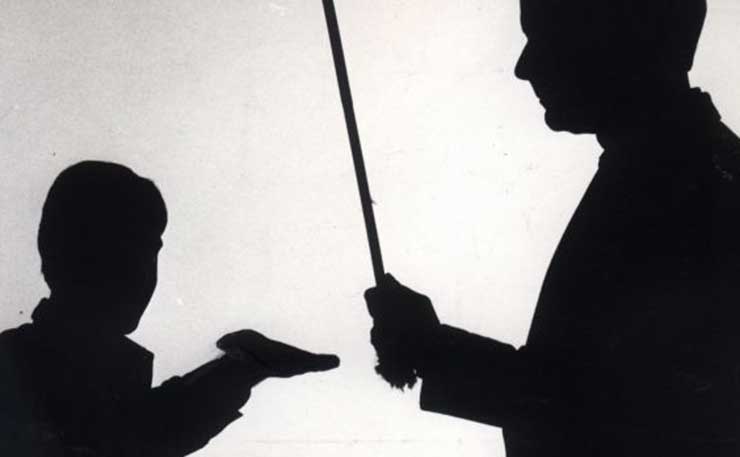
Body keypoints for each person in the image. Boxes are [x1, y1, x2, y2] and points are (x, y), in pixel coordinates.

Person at [364, 1, 740, 456]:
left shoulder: (679, 186)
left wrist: (435, 351)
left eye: (548, 38)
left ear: (620, 42)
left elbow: (621, 412)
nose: (524, 67)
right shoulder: (684, 171)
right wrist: (436, 351)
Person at [0, 161, 340, 456]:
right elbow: (143, 433)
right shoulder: (22, 375)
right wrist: (243, 368)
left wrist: (243, 367)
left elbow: (148, 427)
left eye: (148, 252)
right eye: (121, 251)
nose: (138, 273)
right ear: (65, 251)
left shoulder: (71, 375)